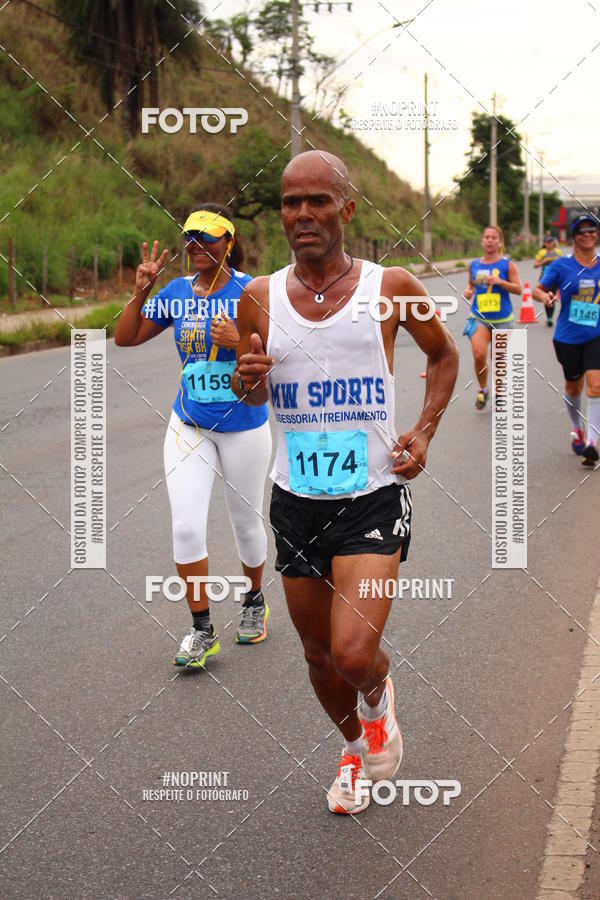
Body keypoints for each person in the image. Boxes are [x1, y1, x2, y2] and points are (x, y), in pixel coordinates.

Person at [232, 150, 459, 814]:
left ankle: (379, 693)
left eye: (318, 201)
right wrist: (248, 382)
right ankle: (355, 750)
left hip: (370, 498)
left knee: (353, 653)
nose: (302, 214)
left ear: (347, 209)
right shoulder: (259, 297)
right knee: (316, 653)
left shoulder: (391, 287)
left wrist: (424, 429)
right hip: (295, 500)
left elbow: (443, 357)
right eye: (289, 203)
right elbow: (253, 398)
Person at [114, 204, 272, 666]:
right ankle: (202, 629)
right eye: (191, 238)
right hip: (189, 424)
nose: (197, 246)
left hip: (243, 426)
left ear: (229, 241)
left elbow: (273, 358)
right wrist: (139, 293)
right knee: (185, 526)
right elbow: (126, 337)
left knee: (245, 522)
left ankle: (254, 601)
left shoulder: (252, 292)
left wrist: (237, 343)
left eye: (208, 237)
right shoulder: (178, 291)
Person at [532, 213, 600, 465]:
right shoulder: (562, 265)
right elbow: (538, 289)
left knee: (596, 384)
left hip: (596, 334)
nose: (587, 234)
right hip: (568, 337)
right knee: (574, 388)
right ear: (574, 237)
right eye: (582, 231)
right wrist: (545, 298)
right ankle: (577, 428)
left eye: (591, 230)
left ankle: (592, 442)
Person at [463, 226, 523, 410]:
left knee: (498, 358)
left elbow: (519, 289)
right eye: (486, 237)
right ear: (482, 241)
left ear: (499, 242)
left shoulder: (507, 265)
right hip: (479, 317)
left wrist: (501, 282)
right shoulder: (474, 265)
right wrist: (469, 291)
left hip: (503, 319)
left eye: (493, 237)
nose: (489, 240)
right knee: (479, 355)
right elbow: (471, 285)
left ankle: (499, 393)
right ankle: (483, 389)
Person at [533, 234, 562, 326]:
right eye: (547, 242)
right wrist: (543, 262)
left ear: (554, 242)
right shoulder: (542, 252)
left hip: (556, 279)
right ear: (545, 243)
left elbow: (562, 263)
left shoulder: (558, 252)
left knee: (552, 296)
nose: (549, 244)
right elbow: (535, 265)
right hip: (545, 278)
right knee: (548, 296)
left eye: (551, 241)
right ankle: (549, 317)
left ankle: (550, 317)